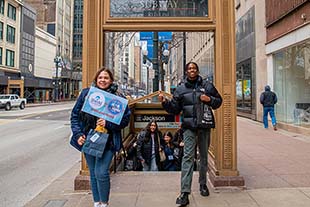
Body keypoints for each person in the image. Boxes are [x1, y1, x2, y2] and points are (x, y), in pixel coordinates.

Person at [159, 62, 222, 206]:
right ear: (186, 72)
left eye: (194, 68)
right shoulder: (180, 89)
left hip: (204, 126)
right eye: (189, 69)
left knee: (204, 156)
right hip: (188, 128)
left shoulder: (207, 86)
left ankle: (202, 184)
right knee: (187, 157)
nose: (192, 70)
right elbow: (174, 109)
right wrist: (164, 103)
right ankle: (185, 192)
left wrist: (209, 99)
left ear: (197, 71)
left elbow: (219, 101)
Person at [70, 67, 131, 207]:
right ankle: (96, 202)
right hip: (89, 139)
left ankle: (104, 203)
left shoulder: (118, 98)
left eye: (106, 78)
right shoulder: (86, 94)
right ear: (96, 79)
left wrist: (108, 123)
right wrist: (78, 134)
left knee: (102, 172)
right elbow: (74, 116)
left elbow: (126, 120)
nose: (103, 80)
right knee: (93, 172)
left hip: (108, 141)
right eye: (100, 78)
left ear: (111, 80)